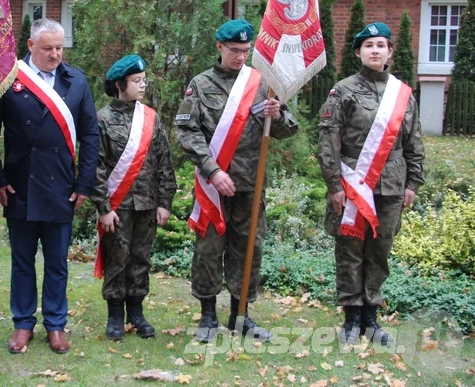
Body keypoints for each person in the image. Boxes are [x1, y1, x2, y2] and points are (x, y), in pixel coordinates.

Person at [0, 18, 99, 355]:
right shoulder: (9, 79)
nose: (55, 54)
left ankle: (56, 324)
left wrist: (85, 182)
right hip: (20, 184)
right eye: (48, 48)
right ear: (30, 46)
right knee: (22, 259)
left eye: (60, 47)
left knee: (58, 261)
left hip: (62, 184)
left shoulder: (76, 81)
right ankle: (22, 323)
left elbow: (90, 134)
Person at [175, 19, 298, 343]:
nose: (241, 57)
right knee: (209, 249)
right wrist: (212, 170)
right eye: (234, 51)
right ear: (219, 47)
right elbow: (187, 130)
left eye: (246, 51)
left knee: (248, 249)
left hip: (250, 183)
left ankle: (240, 316)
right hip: (214, 186)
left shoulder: (260, 83)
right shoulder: (200, 85)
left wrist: (277, 114)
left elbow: (288, 129)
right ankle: (207, 317)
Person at [317, 22, 424, 346]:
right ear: (358, 53)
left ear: (390, 51)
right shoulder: (343, 90)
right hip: (352, 184)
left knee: (380, 252)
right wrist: (335, 185)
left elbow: (413, 142)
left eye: (381, 45)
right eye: (368, 45)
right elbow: (327, 140)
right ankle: (351, 317)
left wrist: (413, 183)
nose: (375, 50)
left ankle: (371, 318)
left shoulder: (403, 95)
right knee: (350, 251)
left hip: (390, 186)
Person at [91, 54, 177, 341]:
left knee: (141, 258)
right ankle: (115, 314)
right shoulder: (102, 119)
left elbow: (165, 161)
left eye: (143, 81)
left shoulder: (150, 117)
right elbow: (96, 167)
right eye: (136, 81)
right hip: (118, 206)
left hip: (147, 204)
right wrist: (103, 208)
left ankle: (136, 312)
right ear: (119, 85)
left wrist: (165, 202)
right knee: (118, 258)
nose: (142, 86)